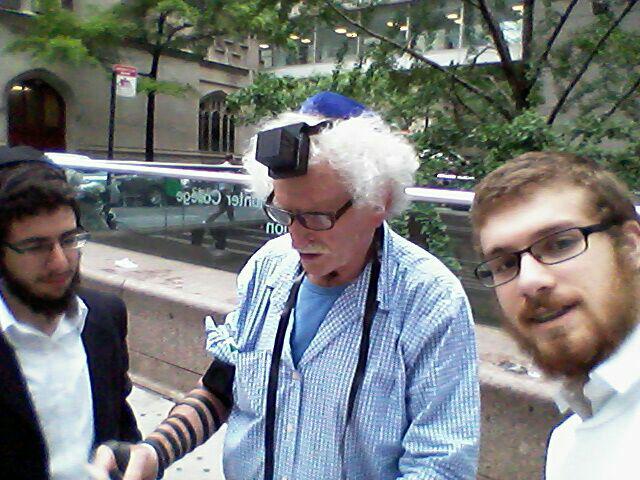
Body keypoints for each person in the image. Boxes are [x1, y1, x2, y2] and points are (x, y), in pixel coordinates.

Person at [94, 92, 480, 479]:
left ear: (377, 201)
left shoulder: (429, 300)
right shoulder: (268, 267)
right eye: (284, 213)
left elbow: (440, 466)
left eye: (316, 217)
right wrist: (154, 452)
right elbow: (222, 385)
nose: (295, 237)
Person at [470, 151, 640, 479]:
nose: (529, 281)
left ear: (631, 246)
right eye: (506, 264)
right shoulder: (567, 442)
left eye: (560, 244)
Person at [0, 146, 141, 480]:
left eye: (69, 239)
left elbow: (121, 430)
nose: (60, 262)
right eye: (36, 246)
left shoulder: (104, 317)